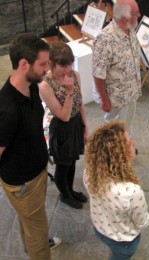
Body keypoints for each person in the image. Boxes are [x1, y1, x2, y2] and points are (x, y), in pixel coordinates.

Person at [0, 33, 52, 260]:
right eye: (43, 64)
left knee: (30, 221)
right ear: (24, 64)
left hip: (36, 172)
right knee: (39, 237)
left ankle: (28, 243)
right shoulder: (7, 110)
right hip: (23, 183)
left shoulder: (31, 86)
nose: (47, 69)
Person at [83, 120, 149, 260]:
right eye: (129, 143)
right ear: (119, 155)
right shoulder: (132, 192)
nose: (134, 143)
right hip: (123, 241)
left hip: (100, 229)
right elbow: (142, 221)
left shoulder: (89, 172)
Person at [39, 42, 88, 209]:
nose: (68, 69)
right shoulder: (45, 84)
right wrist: (68, 91)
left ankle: (70, 190)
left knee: (73, 160)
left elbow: (80, 103)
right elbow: (63, 116)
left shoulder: (75, 75)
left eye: (70, 63)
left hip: (75, 124)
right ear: (52, 64)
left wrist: (85, 127)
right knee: (63, 164)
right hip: (60, 127)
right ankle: (64, 195)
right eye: (63, 65)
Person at [92, 0, 141, 136]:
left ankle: (124, 148)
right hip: (115, 99)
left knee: (126, 127)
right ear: (125, 16)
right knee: (112, 132)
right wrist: (104, 100)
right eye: (136, 12)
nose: (139, 14)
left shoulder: (130, 31)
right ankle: (112, 155)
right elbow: (98, 74)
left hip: (130, 93)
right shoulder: (105, 39)